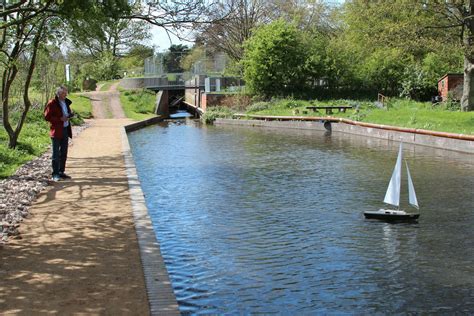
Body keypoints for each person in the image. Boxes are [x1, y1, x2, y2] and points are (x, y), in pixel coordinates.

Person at [44, 85, 74, 182]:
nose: (66, 94)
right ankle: (55, 174)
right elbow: (47, 117)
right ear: (58, 93)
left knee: (64, 152)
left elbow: (66, 113)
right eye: (64, 93)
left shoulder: (65, 102)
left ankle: (61, 171)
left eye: (66, 93)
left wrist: (70, 115)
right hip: (56, 131)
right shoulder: (52, 103)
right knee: (56, 154)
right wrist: (59, 119)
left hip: (65, 129)